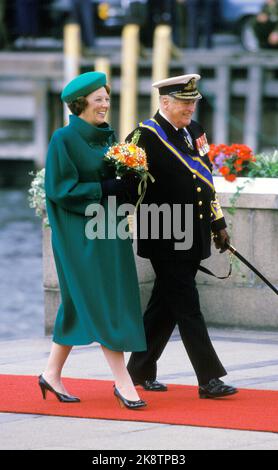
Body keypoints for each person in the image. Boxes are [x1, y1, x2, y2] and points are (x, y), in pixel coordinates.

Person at [126, 74, 238, 399]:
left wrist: (218, 224)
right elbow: (127, 183)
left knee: (164, 305)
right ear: (165, 102)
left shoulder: (196, 131)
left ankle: (139, 369)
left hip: (194, 232)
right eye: (184, 102)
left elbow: (207, 182)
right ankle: (209, 378)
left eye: (193, 102)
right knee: (188, 306)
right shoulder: (144, 136)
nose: (191, 107)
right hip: (164, 234)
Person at [40, 71, 147, 410]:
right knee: (103, 302)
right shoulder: (63, 139)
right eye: (99, 98)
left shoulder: (109, 137)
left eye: (107, 97)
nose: (106, 103)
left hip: (109, 229)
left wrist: (130, 183)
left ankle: (50, 374)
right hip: (78, 236)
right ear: (81, 103)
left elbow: (117, 180)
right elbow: (59, 190)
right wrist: (104, 188)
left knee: (79, 302)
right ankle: (123, 381)